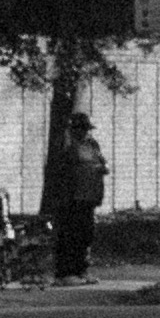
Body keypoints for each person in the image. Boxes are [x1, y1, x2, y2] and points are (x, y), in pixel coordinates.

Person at [42, 88, 107, 286]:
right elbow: (61, 171)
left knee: (85, 235)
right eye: (81, 129)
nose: (85, 132)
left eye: (87, 129)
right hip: (71, 197)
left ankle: (82, 269)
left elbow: (101, 163)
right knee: (69, 235)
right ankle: (65, 273)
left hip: (89, 197)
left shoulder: (92, 144)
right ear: (74, 129)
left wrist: (101, 168)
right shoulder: (66, 145)